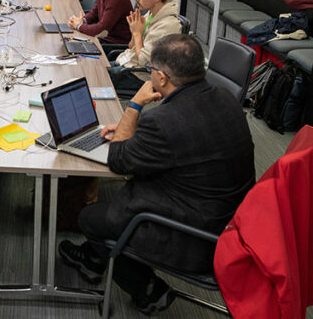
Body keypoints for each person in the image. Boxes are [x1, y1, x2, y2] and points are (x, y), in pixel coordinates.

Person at [58, 34, 255, 314]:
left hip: (194, 237)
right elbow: (187, 140)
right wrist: (137, 134)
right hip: (233, 221)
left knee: (90, 217)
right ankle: (92, 262)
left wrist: (135, 105)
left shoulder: (161, 121)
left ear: (161, 78)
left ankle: (148, 289)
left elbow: (117, 160)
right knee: (120, 203)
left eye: (150, 70)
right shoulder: (225, 97)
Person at [108, 0, 181, 92]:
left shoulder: (168, 25)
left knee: (94, 78)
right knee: (92, 68)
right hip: (126, 64)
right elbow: (131, 46)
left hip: (139, 76)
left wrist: (137, 33)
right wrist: (134, 31)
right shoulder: (151, 13)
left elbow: (144, 62)